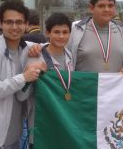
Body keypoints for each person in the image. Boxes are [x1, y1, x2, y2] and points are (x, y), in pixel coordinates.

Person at [0, 0, 45, 149]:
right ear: (1, 24)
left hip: (15, 136)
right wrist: (23, 78)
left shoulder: (28, 48)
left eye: (19, 22)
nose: (15, 27)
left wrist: (41, 54)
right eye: (9, 22)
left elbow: (51, 49)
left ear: (26, 24)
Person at [17, 12, 73, 149]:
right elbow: (21, 95)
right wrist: (31, 75)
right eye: (56, 32)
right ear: (48, 33)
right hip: (40, 125)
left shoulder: (69, 56)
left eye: (65, 32)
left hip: (62, 122)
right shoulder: (36, 56)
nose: (61, 36)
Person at [67, 0, 123, 72]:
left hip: (115, 85)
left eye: (110, 6)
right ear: (91, 7)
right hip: (86, 85)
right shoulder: (75, 29)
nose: (107, 9)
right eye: (101, 6)